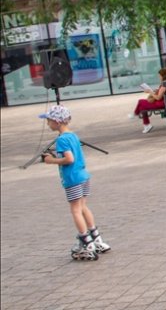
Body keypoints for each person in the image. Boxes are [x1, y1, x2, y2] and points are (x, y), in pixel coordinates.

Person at [38, 105, 111, 261]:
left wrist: (51, 160)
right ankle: (96, 238)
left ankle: (86, 242)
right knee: (83, 206)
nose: (48, 124)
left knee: (75, 210)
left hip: (72, 178)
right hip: (83, 175)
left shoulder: (62, 140)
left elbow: (69, 159)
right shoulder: (73, 136)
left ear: (57, 122)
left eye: (49, 120)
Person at [131, 67, 166, 133]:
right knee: (142, 107)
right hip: (165, 102)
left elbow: (158, 98)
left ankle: (137, 114)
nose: (159, 77)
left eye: (160, 76)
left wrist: (150, 91)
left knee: (140, 102)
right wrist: (156, 91)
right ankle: (146, 125)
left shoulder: (164, 85)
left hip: (161, 103)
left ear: (164, 76)